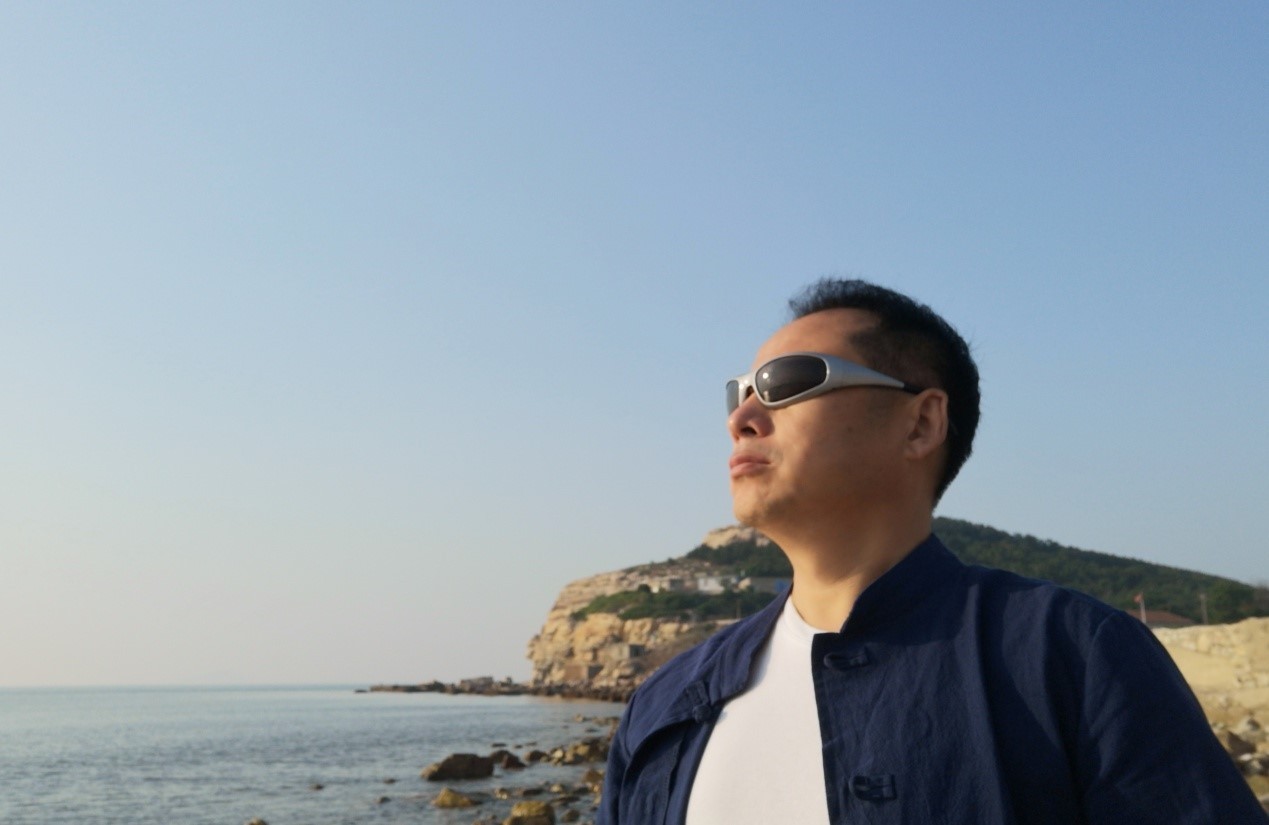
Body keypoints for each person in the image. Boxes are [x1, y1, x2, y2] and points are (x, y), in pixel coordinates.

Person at [598, 279, 1265, 824]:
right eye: (739, 391)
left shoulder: (1073, 656)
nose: (741, 417)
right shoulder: (663, 705)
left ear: (920, 422)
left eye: (787, 380)